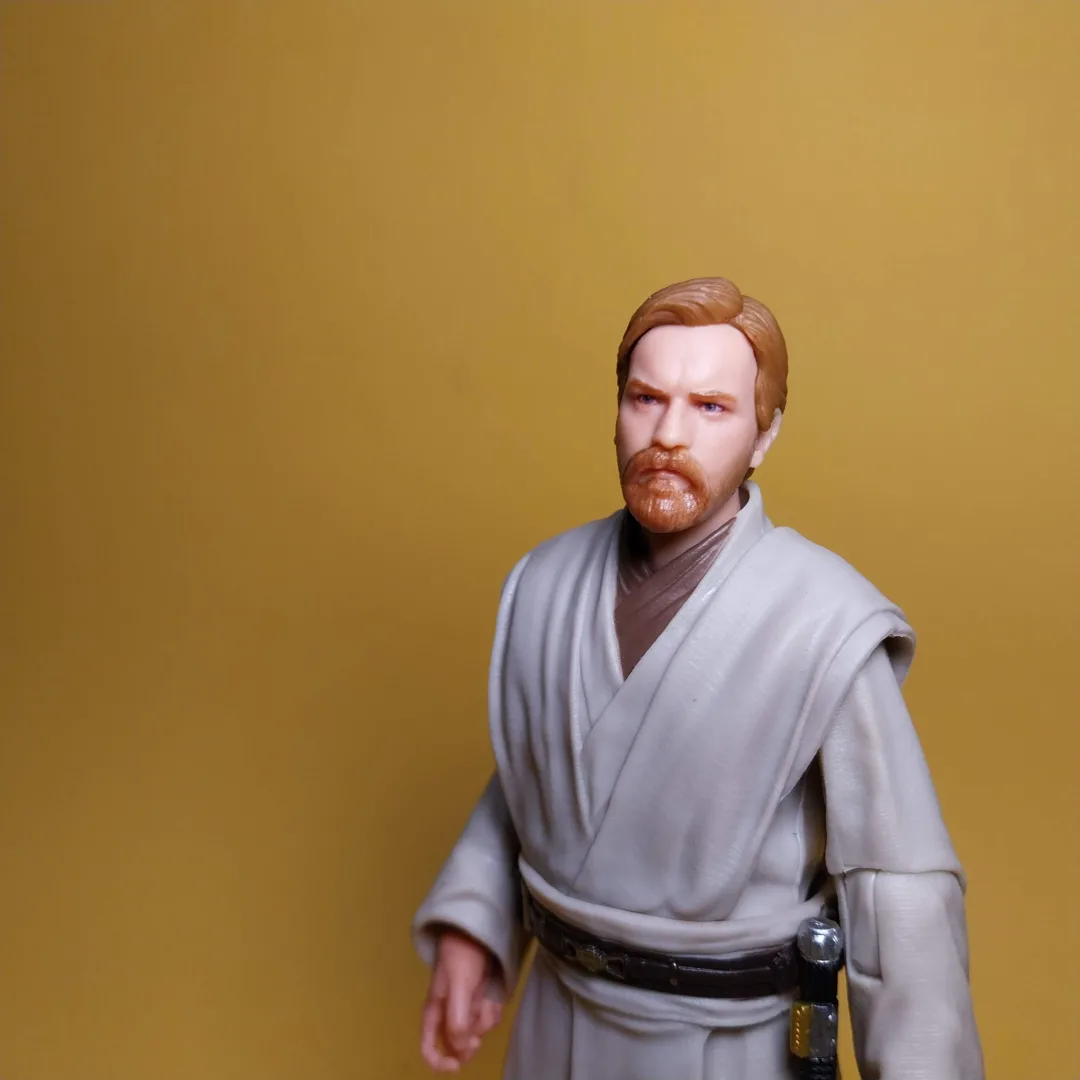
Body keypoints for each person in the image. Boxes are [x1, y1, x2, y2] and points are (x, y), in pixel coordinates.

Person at [412, 277, 984, 1079]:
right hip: (554, 1020)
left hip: (720, 1045)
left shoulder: (823, 621)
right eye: (646, 399)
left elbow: (899, 889)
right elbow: (543, 774)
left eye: (710, 407)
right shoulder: (545, 583)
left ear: (763, 434)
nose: (668, 434)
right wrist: (477, 921)